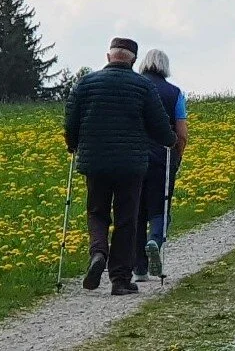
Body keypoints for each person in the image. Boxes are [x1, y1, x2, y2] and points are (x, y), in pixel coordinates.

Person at [64, 38, 176, 296]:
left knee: (97, 212)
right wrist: (170, 141)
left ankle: (98, 252)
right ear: (133, 60)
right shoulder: (143, 86)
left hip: (95, 162)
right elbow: (159, 127)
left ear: (108, 56)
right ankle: (120, 280)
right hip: (131, 164)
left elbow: (71, 120)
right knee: (127, 219)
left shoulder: (86, 83)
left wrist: (72, 144)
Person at [134, 50, 189, 282]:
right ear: (165, 67)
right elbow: (182, 132)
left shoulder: (133, 86)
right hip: (162, 157)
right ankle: (155, 239)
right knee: (161, 207)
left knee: (136, 211)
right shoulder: (175, 93)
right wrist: (177, 156)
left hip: (133, 157)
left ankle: (139, 270)